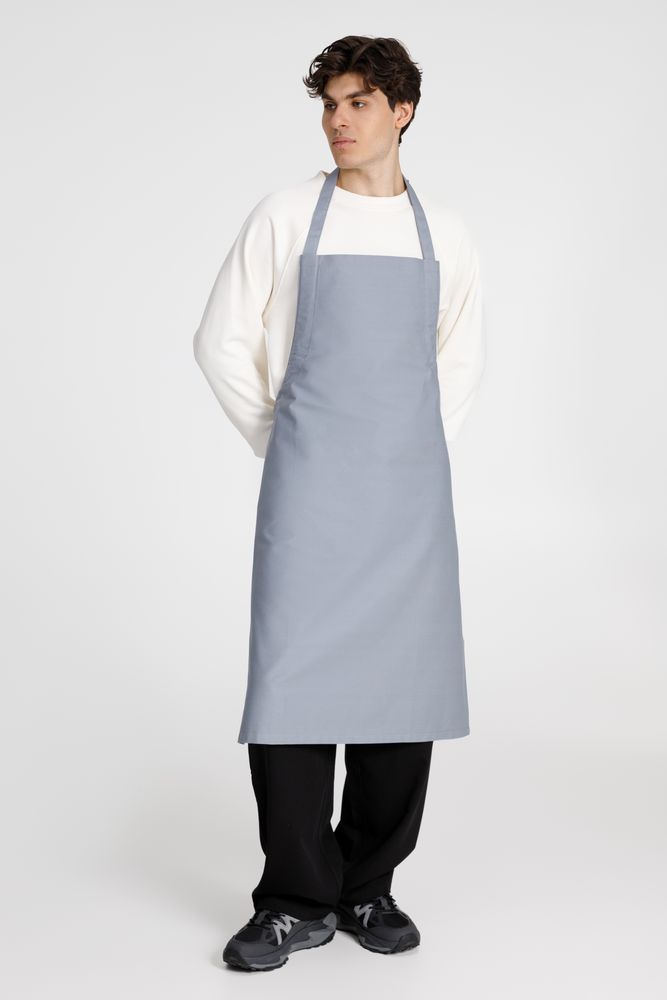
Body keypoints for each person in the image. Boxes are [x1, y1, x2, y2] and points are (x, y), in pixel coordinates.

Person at [193, 35, 485, 972]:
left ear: (402, 111)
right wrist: (284, 440)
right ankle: (292, 899)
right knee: (290, 694)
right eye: (329, 103)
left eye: (359, 102)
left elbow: (459, 361)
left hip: (408, 498)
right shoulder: (285, 215)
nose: (338, 120)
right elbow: (219, 341)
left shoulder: (446, 233)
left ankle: (367, 885)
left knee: (403, 692)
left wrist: (408, 454)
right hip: (308, 489)